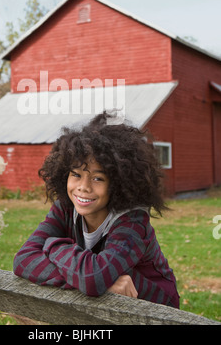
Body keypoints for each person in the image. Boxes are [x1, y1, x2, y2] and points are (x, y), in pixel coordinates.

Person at [13, 111, 180, 308]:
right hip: (106, 308)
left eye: (97, 178)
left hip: (155, 309)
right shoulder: (65, 207)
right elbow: (24, 260)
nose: (83, 187)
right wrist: (85, 281)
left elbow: (93, 277)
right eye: (76, 174)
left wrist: (53, 246)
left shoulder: (133, 221)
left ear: (118, 183)